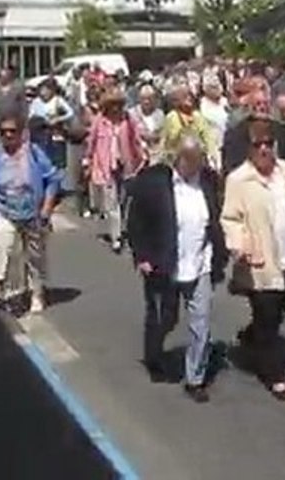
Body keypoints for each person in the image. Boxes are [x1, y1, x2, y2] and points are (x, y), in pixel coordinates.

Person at [125, 134, 226, 402]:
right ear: (177, 159)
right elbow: (136, 222)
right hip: (165, 263)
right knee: (165, 318)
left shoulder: (208, 182)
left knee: (201, 323)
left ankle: (195, 378)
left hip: (200, 262)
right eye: (189, 161)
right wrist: (142, 256)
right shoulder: (155, 184)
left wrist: (220, 254)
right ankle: (153, 353)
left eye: (198, 161)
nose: (194, 166)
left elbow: (215, 220)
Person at [221, 116, 285, 401]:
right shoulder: (239, 179)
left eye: (268, 144)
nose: (264, 150)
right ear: (249, 149)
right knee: (268, 316)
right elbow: (230, 218)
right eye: (258, 145)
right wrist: (239, 245)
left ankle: (252, 337)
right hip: (261, 260)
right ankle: (274, 375)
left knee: (282, 309)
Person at [0, 111, 63, 314]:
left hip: (33, 212)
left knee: (35, 257)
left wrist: (46, 208)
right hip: (5, 210)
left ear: (22, 133)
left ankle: (36, 293)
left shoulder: (34, 154)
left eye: (12, 131)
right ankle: (0, 286)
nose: (8, 135)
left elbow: (53, 178)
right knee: (2, 245)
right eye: (3, 132)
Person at [84, 89, 147, 253]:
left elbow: (136, 139)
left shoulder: (128, 119)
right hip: (106, 165)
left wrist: (142, 156)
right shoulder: (100, 121)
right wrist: (88, 159)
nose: (115, 108)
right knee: (111, 202)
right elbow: (91, 141)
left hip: (126, 164)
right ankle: (116, 237)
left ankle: (123, 228)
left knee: (124, 200)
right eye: (112, 105)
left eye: (118, 105)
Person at [29, 79, 75, 169]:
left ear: (52, 91)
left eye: (45, 90)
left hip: (56, 135)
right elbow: (30, 116)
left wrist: (58, 119)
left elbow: (70, 113)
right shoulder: (36, 102)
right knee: (41, 160)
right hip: (40, 136)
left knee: (57, 162)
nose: (43, 93)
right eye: (41, 90)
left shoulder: (58, 100)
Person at [161, 85, 215, 163]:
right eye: (185, 96)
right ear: (175, 101)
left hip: (199, 160)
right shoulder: (171, 117)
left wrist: (211, 155)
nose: (189, 98)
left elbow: (208, 138)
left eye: (190, 95)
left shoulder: (198, 116)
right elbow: (165, 143)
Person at [198, 78, 229, 170]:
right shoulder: (203, 106)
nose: (218, 89)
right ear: (205, 90)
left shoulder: (226, 101)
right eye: (213, 87)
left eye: (218, 85)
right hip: (214, 146)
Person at [131, 84, 165, 164]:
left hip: (156, 154)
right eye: (143, 98)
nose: (147, 101)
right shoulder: (132, 114)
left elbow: (163, 135)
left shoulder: (160, 114)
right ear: (139, 99)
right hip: (139, 154)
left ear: (154, 99)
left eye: (150, 98)